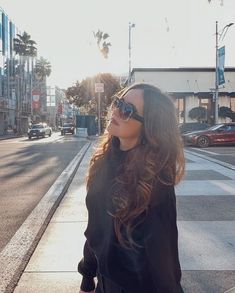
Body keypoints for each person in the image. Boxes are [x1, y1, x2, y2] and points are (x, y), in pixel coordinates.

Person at [78, 83, 185, 293]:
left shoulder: (155, 179)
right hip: (104, 284)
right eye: (118, 102)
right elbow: (96, 228)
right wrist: (87, 277)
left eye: (127, 110)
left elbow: (162, 253)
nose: (116, 111)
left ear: (149, 126)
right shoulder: (104, 160)